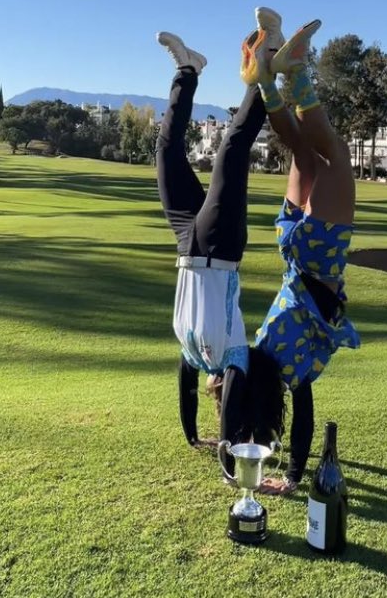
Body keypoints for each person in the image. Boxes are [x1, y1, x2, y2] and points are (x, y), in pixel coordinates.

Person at [239, 8, 360, 494]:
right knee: (305, 157)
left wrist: (290, 477)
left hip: (321, 253)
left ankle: (296, 68)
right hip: (289, 242)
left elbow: (304, 417)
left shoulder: (292, 370)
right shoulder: (260, 346)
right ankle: (264, 78)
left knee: (336, 156)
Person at [155, 30, 269, 470]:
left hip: (186, 241)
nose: (215, 390)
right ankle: (260, 80)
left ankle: (188, 70)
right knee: (231, 151)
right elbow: (230, 423)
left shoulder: (191, 352)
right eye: (220, 397)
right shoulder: (235, 355)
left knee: (165, 154)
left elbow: (185, 391)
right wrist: (227, 465)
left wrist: (191, 436)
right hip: (221, 244)